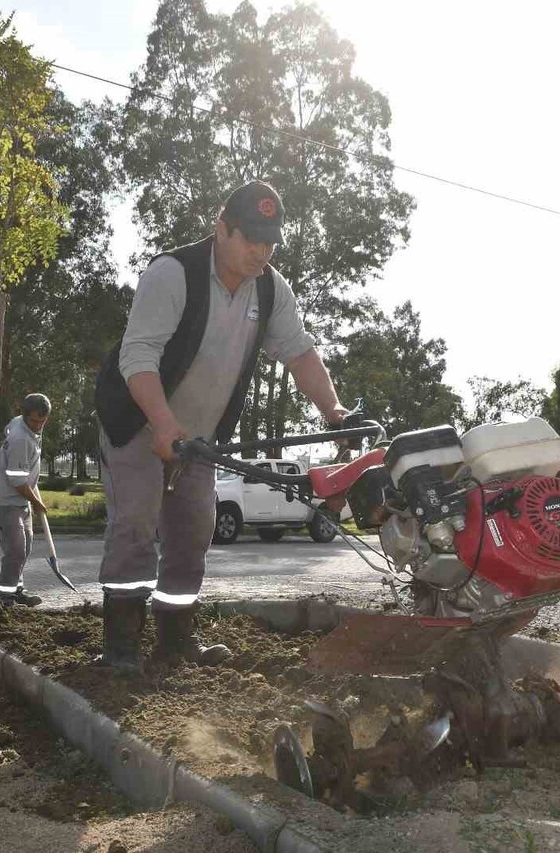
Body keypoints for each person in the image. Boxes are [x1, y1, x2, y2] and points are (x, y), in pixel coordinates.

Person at [94, 180, 351, 675]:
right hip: (139, 423)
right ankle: (121, 647)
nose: (261, 251)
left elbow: (297, 351)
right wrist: (165, 427)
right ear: (221, 230)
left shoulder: (271, 288)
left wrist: (334, 413)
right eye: (251, 238)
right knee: (135, 529)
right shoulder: (173, 274)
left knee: (194, 533)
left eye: (270, 240)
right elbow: (139, 356)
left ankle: (175, 643)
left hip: (198, 440)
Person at [0, 393, 51, 607]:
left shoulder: (22, 426)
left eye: (42, 422)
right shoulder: (20, 439)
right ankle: (5, 599)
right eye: (34, 421)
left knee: (25, 548)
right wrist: (36, 501)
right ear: (25, 416)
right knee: (15, 549)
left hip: (21, 501)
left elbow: (9, 427)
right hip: (7, 502)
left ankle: (17, 590)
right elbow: (16, 480)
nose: (37, 426)